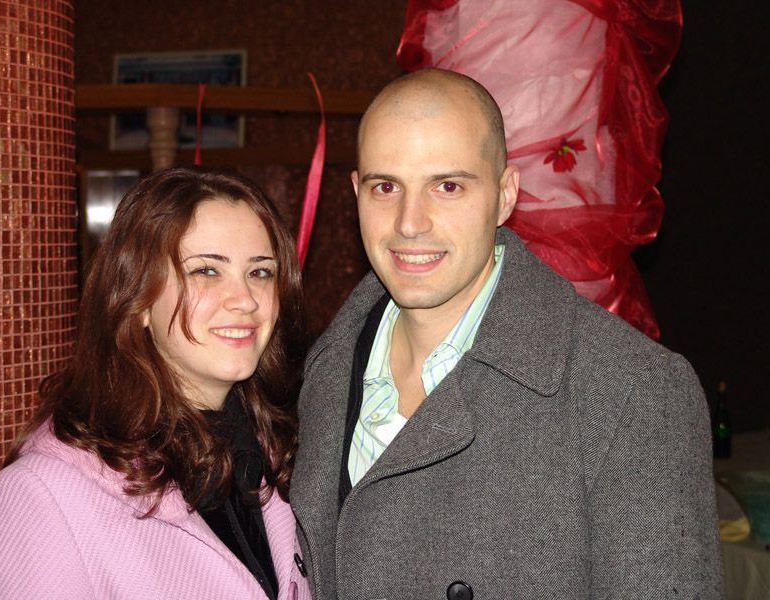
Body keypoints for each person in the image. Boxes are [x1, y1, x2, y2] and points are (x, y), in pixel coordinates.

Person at [290, 69, 723, 599]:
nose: (409, 222)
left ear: (505, 195)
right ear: (356, 192)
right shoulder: (319, 371)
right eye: (386, 187)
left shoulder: (632, 393)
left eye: (447, 186)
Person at [0, 168, 311, 600]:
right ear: (140, 298)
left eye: (260, 272)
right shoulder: (45, 494)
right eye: (207, 270)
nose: (245, 300)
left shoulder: (278, 453)